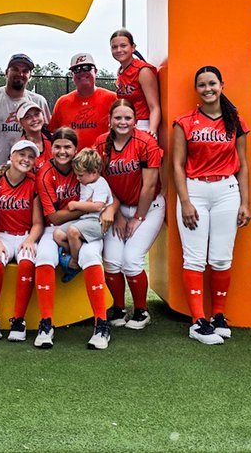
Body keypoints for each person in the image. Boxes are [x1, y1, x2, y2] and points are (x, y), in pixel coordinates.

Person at [171, 65, 250, 345]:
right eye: (202, 85)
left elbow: (242, 165)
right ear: (197, 89)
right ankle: (198, 321)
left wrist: (245, 202)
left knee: (220, 258)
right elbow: (177, 166)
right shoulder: (185, 122)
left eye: (212, 83)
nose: (208, 89)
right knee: (194, 257)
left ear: (221, 84)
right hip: (195, 189)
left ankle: (218, 315)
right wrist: (185, 201)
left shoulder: (235, 120)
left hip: (227, 190)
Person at [33, 128, 117, 350]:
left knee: (90, 255)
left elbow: (111, 194)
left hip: (89, 225)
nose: (62, 151)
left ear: (75, 149)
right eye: (57, 146)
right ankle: (46, 323)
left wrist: (109, 210)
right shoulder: (45, 173)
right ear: (50, 148)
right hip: (58, 226)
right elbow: (54, 216)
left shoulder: (83, 165)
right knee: (43, 256)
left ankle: (101, 324)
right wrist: (90, 209)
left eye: (67, 147)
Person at [96, 99, 165, 329]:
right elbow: (102, 183)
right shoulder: (100, 143)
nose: (123, 122)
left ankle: (142, 311)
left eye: (127, 118)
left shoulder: (146, 142)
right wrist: (116, 214)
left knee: (132, 260)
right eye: (118, 117)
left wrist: (137, 218)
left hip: (148, 207)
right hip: (116, 208)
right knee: (113, 261)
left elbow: (149, 185)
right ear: (110, 120)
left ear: (136, 120)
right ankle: (118, 307)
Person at [0, 53, 50, 233]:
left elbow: (45, 138)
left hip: (26, 182)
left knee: (23, 232)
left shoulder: (38, 102)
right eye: (15, 69)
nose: (20, 74)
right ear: (6, 72)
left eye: (25, 71)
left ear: (30, 76)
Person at [0, 140, 43, 343]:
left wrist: (31, 239)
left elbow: (38, 222)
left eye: (31, 156)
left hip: (25, 234)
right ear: (12, 156)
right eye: (22, 154)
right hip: (1, 234)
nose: (26, 159)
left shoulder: (33, 183)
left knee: (27, 263)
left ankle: (19, 320)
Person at [53, 147, 111, 278]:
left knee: (73, 231)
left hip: (96, 222)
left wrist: (75, 205)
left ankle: (74, 262)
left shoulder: (100, 184)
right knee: (57, 234)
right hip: (83, 220)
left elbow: (97, 206)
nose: (77, 178)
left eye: (80, 175)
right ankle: (76, 252)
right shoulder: (87, 181)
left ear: (94, 172)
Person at [49, 52, 117, 150]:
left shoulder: (112, 98)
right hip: (72, 162)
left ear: (96, 71)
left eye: (87, 67)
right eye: (76, 70)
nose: (82, 72)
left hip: (105, 160)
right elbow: (53, 133)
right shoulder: (62, 102)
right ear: (72, 75)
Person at [110, 30, 160, 137]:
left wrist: (152, 131)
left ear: (133, 47)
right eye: (114, 47)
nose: (119, 50)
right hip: (125, 123)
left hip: (142, 124)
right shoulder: (120, 71)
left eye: (123, 46)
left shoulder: (143, 70)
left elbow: (154, 107)